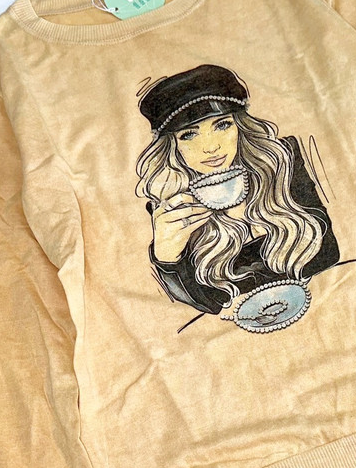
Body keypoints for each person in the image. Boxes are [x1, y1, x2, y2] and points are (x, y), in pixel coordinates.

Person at [134, 64, 342, 332]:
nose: (211, 147)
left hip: (332, 316)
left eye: (222, 125)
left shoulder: (283, 162)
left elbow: (328, 255)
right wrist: (167, 259)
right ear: (173, 147)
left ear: (240, 127)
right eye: (189, 135)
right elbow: (204, 307)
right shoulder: (171, 206)